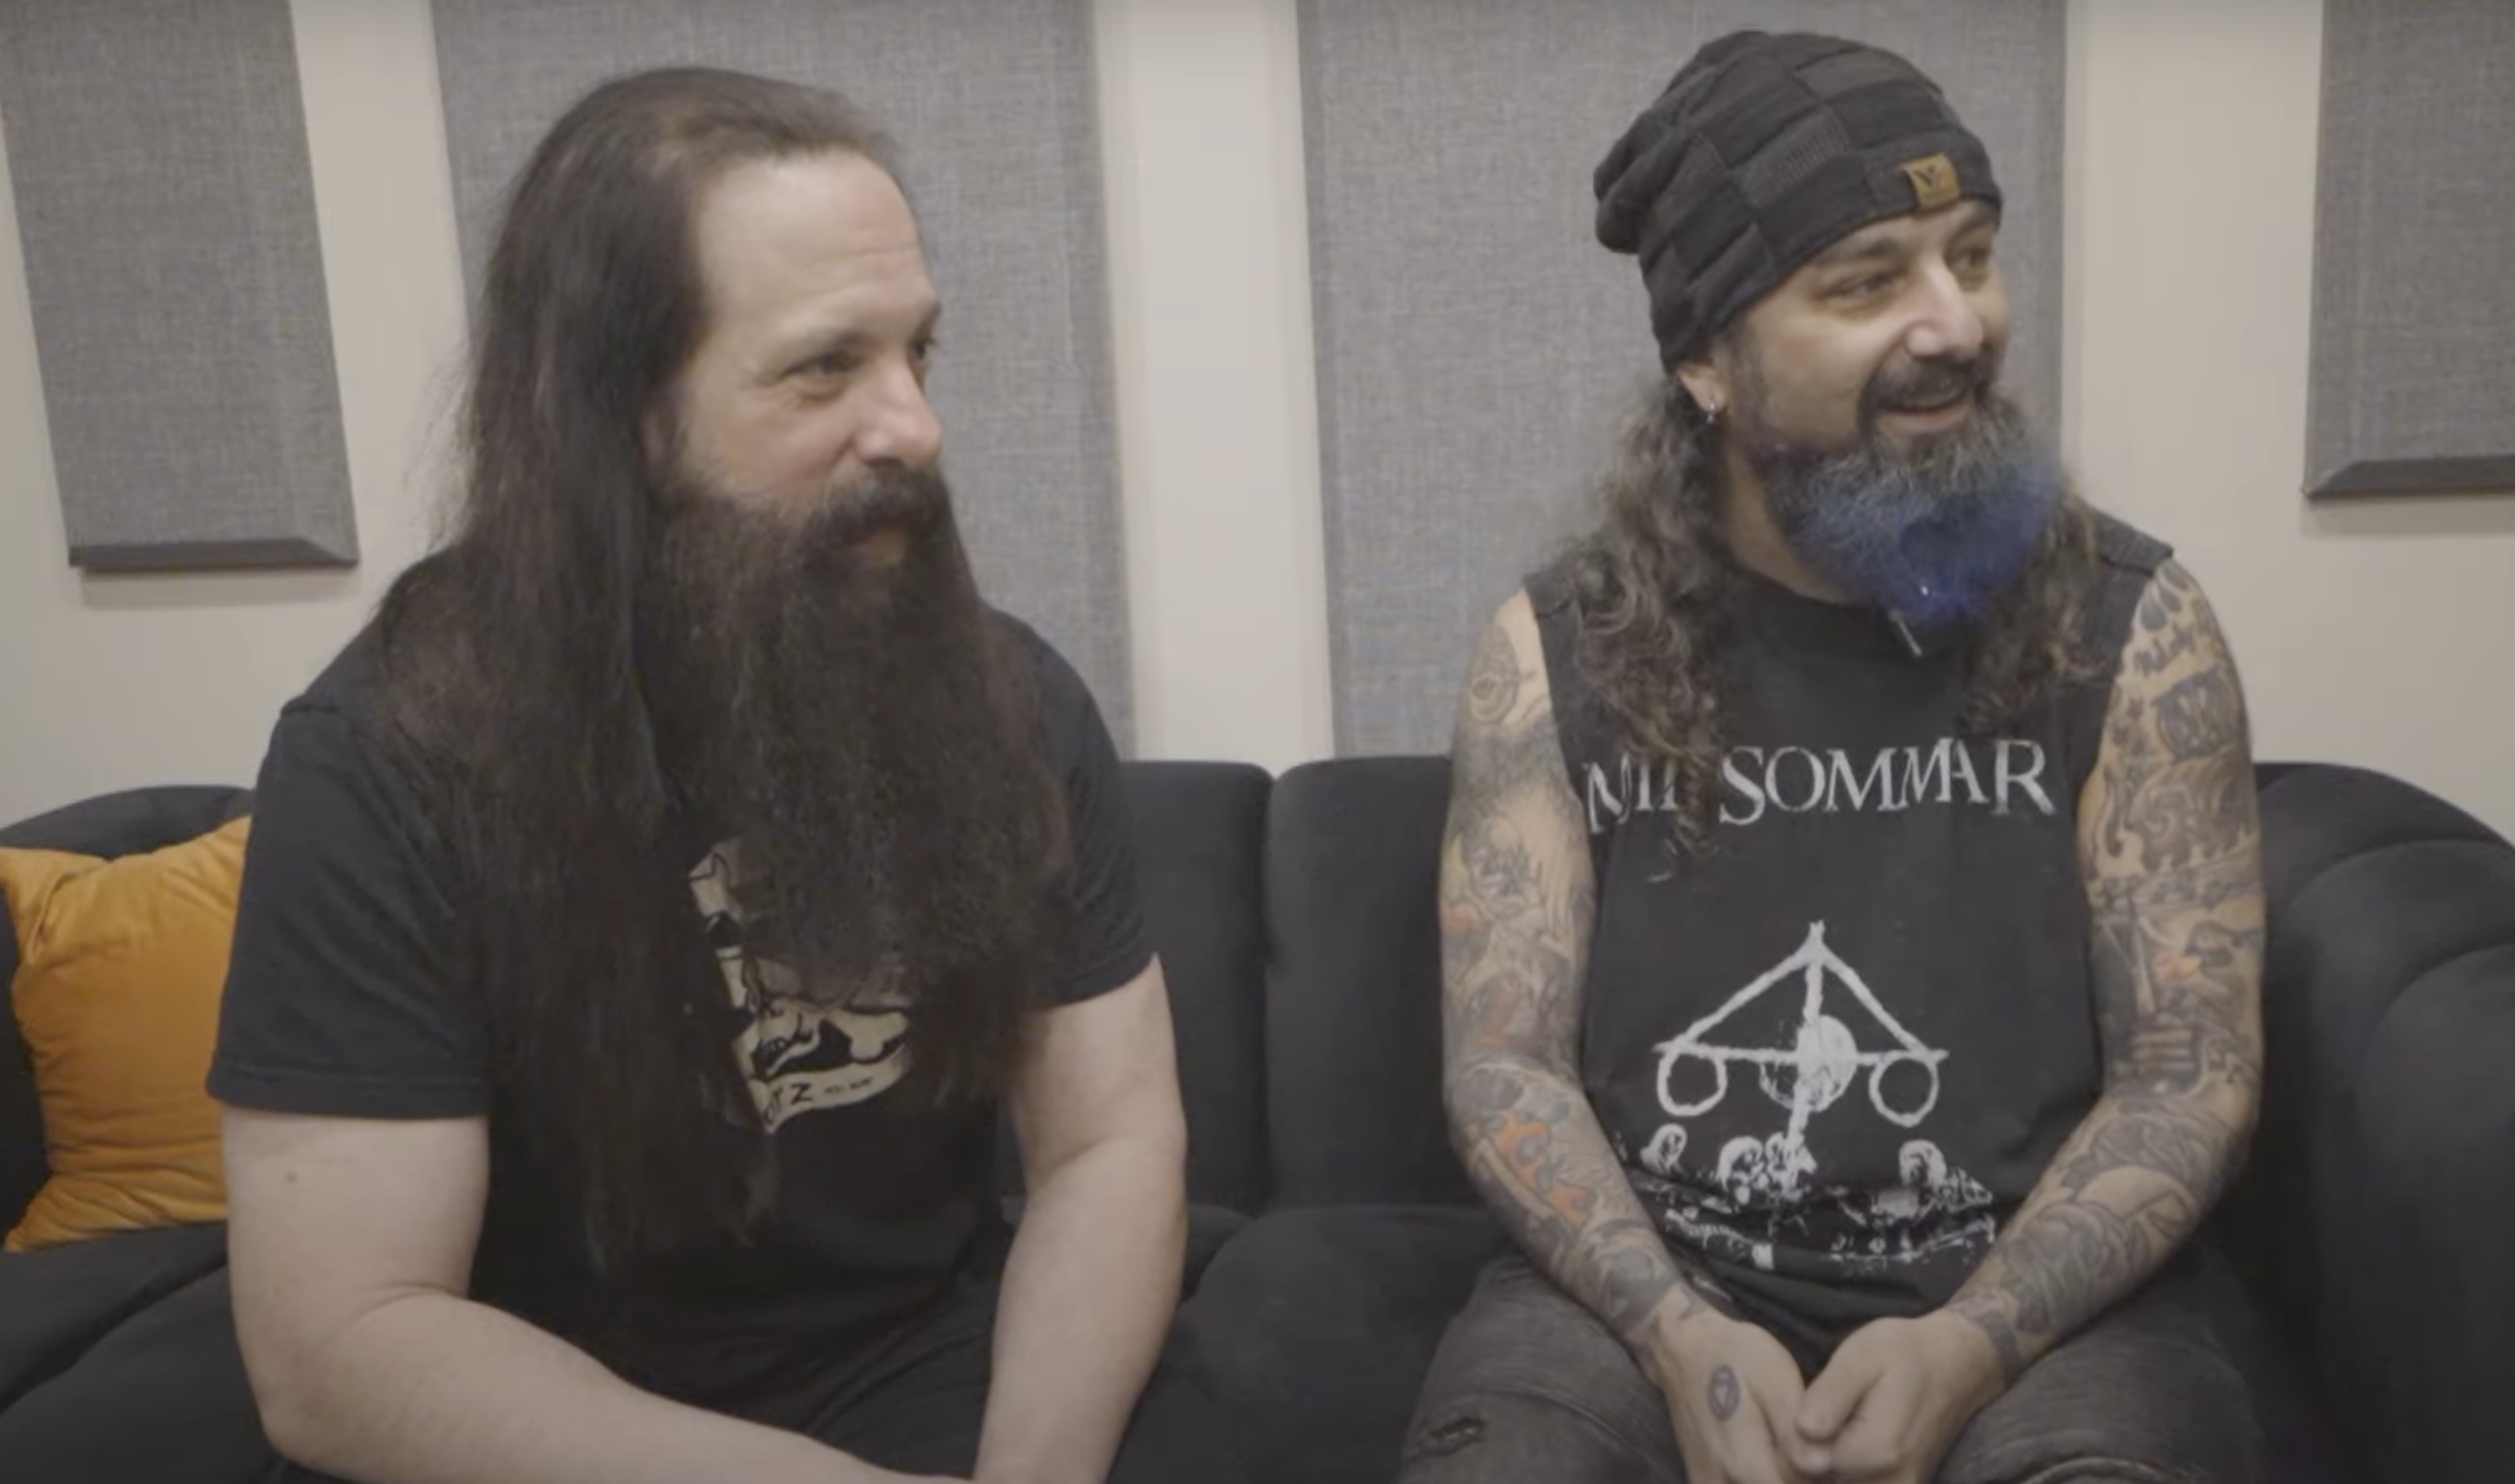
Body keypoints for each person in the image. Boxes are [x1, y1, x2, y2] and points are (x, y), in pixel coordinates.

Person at [209, 67, 1238, 1484]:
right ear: (618, 411)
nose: (914, 426)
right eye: (825, 366)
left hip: (927, 1370)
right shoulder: (388, 757)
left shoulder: (1007, 700)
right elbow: (346, 1342)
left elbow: (1107, 1145)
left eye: (917, 352)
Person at [1410, 30, 2264, 1484]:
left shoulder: (2134, 626)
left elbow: (2189, 1069)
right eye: (1868, 282)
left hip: (2040, 1300)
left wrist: (1976, 1340)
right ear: (1708, 361)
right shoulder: (1556, 651)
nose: (1957, 323)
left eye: (1972, 256)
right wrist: (1674, 1330)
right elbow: (1507, 1066)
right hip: (1645, 1291)